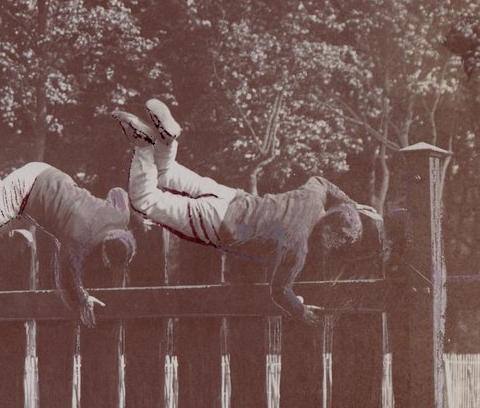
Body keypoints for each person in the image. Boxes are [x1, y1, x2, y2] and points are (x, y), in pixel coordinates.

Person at [112, 97, 370, 324]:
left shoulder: (313, 199)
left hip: (232, 197)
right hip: (219, 223)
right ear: (330, 237)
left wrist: (353, 204)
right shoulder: (297, 245)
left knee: (166, 174)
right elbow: (279, 291)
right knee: (145, 200)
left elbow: (322, 182)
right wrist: (301, 312)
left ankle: (167, 140)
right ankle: (145, 145)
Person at [0, 147, 135, 327]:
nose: (104, 263)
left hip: (48, 175)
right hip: (27, 192)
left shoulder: (120, 216)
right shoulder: (80, 238)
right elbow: (68, 276)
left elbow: (118, 192)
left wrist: (136, 216)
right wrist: (83, 299)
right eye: (106, 258)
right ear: (105, 246)